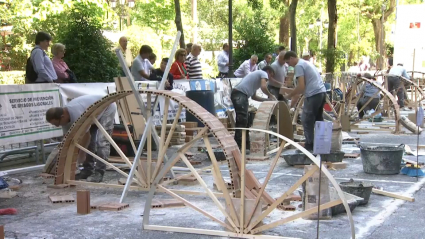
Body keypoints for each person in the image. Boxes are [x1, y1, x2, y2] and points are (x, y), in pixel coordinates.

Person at [45, 95, 117, 182]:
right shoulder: (65, 119)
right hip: (91, 114)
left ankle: (99, 173)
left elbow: (86, 136)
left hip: (106, 108)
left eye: (57, 123)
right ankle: (87, 170)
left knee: (102, 141)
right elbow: (67, 139)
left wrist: (81, 155)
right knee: (90, 144)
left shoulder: (77, 114)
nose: (57, 126)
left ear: (62, 117)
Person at [282, 51, 326, 151]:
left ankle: (310, 145)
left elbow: (301, 87)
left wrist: (289, 95)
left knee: (306, 120)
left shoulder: (299, 66)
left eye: (288, 62)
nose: (289, 65)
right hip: (321, 92)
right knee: (319, 120)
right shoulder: (306, 63)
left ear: (292, 58)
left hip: (313, 94)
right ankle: (322, 145)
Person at [231, 66, 277, 149]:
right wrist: (271, 95)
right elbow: (264, 87)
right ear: (268, 72)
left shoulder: (256, 79)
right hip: (239, 94)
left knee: (245, 121)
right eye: (271, 75)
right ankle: (238, 145)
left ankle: (245, 144)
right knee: (242, 121)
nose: (269, 78)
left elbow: (254, 97)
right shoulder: (263, 73)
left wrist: (267, 100)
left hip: (240, 95)